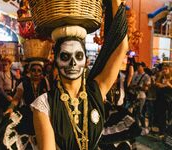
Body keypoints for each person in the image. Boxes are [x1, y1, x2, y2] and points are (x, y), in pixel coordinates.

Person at [31, 1, 144, 150]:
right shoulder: (43, 105)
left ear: (85, 61)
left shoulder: (96, 90)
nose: (73, 63)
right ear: (56, 61)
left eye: (78, 56)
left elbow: (122, 48)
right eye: (65, 57)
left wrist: (116, 4)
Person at [3, 60, 50, 149]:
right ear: (29, 71)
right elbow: (17, 97)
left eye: (39, 70)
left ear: (41, 72)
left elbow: (49, 97)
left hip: (42, 115)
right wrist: (11, 107)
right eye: (34, 70)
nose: (36, 73)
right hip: (28, 115)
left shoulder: (45, 82)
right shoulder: (23, 83)